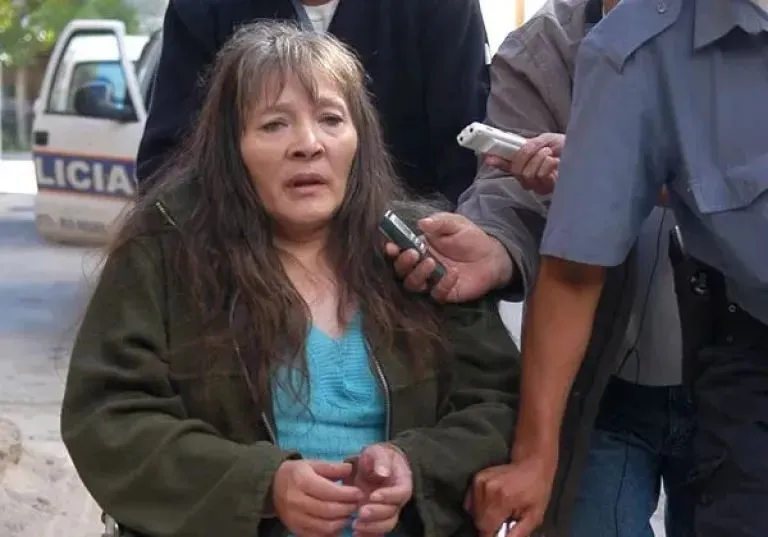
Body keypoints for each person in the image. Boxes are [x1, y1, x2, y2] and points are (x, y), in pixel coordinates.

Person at [60, 23, 520, 537]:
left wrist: (416, 465)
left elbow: (495, 402)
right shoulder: (165, 245)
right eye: (274, 124)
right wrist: (262, 485)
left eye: (331, 119)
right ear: (230, 148)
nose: (308, 144)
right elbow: (109, 417)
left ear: (360, 139)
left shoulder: (418, 247)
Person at [445, 1, 767, 536]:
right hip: (622, 381)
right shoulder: (614, 49)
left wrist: (638, 175)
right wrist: (534, 456)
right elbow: (558, 254)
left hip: (720, 364)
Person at [386, 1, 695, 536]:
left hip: (736, 376)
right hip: (599, 381)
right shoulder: (543, 48)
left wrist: (616, 168)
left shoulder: (739, 36)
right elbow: (514, 204)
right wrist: (495, 246)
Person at [135, 0, 490, 204]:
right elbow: (168, 168)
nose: (308, 145)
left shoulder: (441, 8)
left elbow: (467, 159)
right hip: (243, 267)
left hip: (408, 263)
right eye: (274, 124)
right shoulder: (202, 9)